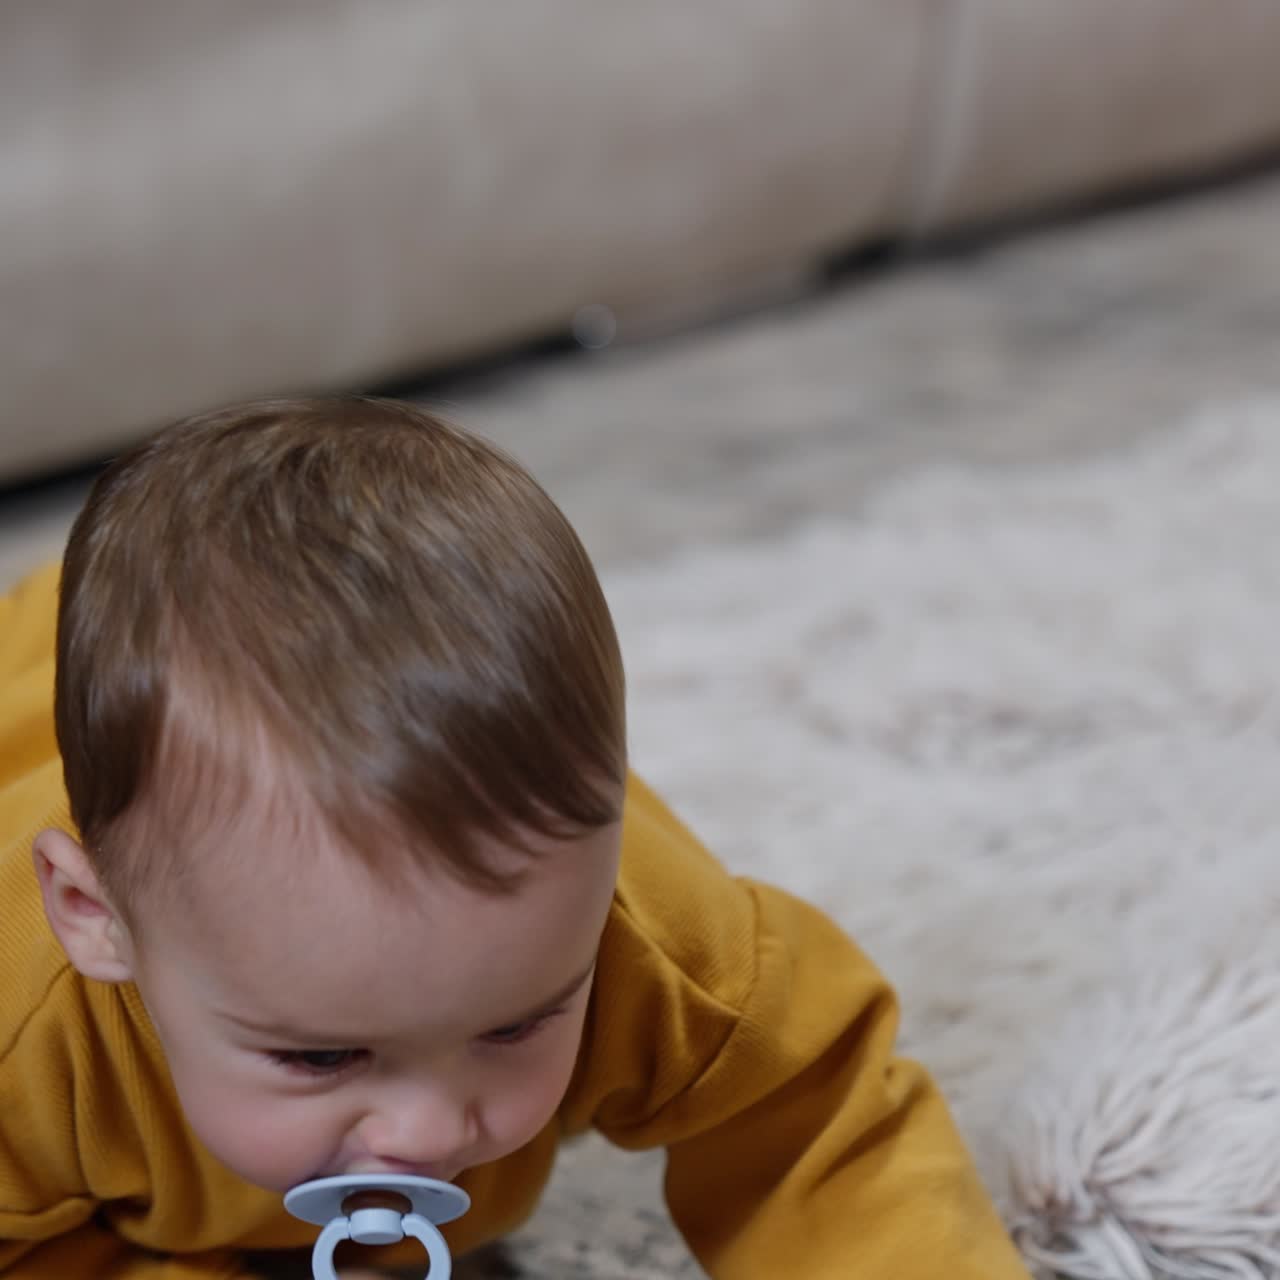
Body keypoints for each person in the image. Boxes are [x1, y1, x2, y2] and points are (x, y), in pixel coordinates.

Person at [0, 397, 1029, 1278]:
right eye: (320, 1054)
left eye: (513, 1026)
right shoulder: (22, 1040)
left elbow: (820, 1119)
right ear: (95, 915)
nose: (430, 1129)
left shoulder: (644, 941)